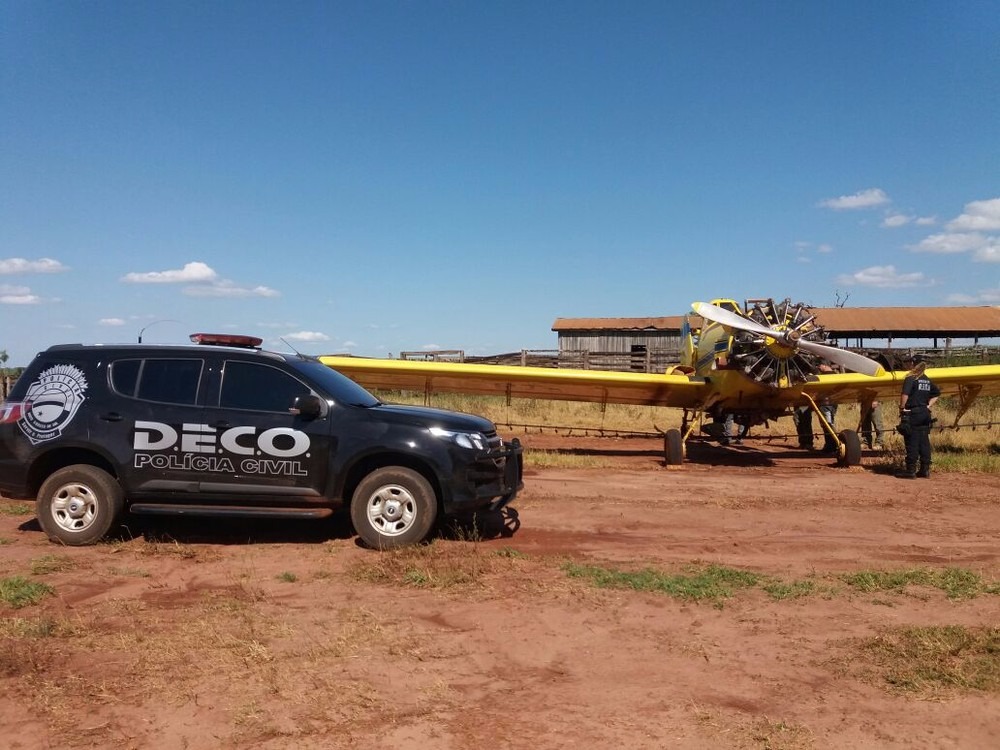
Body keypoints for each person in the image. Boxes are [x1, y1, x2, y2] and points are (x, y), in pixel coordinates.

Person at [897, 357, 940, 478]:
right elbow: (937, 394)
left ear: (913, 364)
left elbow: (905, 394)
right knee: (924, 441)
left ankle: (910, 470)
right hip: (924, 414)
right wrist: (928, 405)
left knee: (912, 440)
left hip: (913, 413)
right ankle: (925, 469)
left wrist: (902, 408)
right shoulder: (926, 380)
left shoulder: (911, 378)